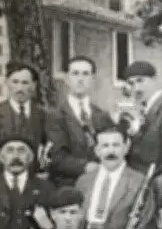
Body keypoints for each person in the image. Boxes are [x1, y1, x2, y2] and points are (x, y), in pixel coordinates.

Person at [76, 128, 154, 229]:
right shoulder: (83, 181)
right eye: (105, 146)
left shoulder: (140, 182)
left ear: (126, 147)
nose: (111, 151)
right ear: (97, 150)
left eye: (116, 145)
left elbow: (144, 227)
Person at [46, 56, 115, 186]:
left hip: (100, 184)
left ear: (93, 80)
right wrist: (86, 167)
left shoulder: (102, 116)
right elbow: (57, 158)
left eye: (86, 74)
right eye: (75, 73)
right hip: (68, 185)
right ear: (67, 79)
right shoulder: (55, 116)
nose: (80, 79)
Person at [0, 61, 49, 179]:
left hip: (33, 183)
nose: (19, 88)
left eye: (25, 83)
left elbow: (48, 153)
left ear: (33, 85)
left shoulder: (43, 116)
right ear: (7, 83)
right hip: (0, 183)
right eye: (15, 82)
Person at [122, 60, 162, 175]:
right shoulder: (140, 111)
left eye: (141, 81)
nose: (137, 88)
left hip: (154, 184)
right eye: (131, 83)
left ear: (155, 80)